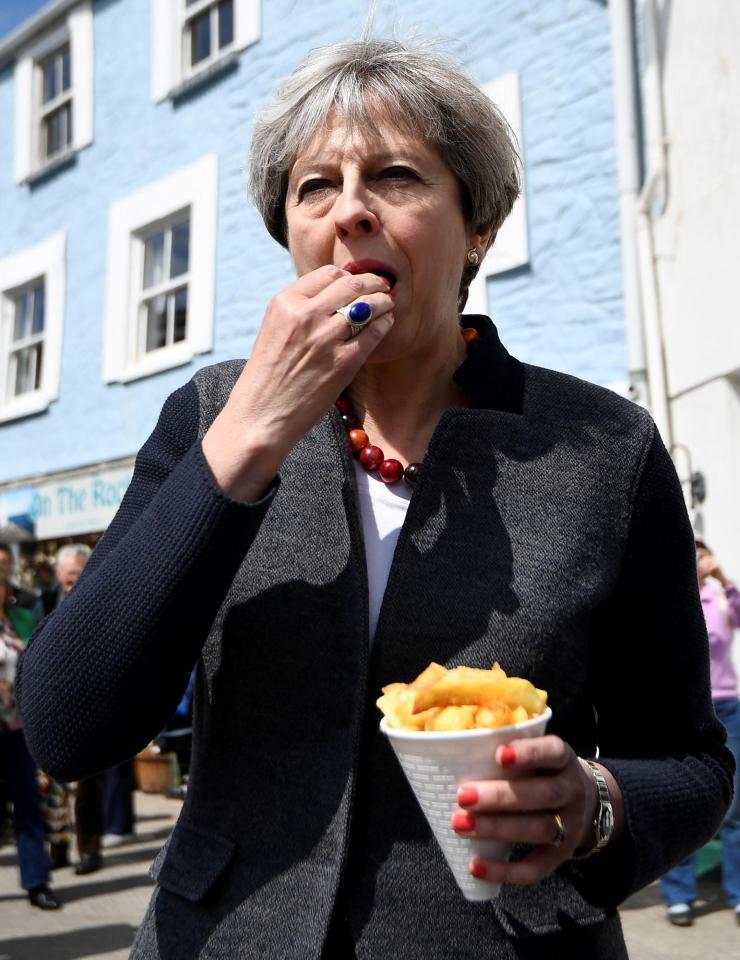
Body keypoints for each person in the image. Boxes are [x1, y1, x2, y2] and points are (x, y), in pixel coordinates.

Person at [17, 37, 733, 959]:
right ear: (289, 235)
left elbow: (690, 759)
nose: (349, 209)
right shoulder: (207, 416)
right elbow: (68, 726)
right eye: (314, 187)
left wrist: (597, 807)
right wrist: (249, 438)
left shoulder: (603, 447)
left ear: (478, 226)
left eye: (395, 176)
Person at [660, 538, 740, 927]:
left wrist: (724, 578)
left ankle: (738, 893)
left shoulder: (721, 599)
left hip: (727, 707)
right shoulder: (670, 599)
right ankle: (679, 895)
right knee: (682, 799)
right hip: (683, 708)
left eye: (700, 555)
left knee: (736, 806)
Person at [0, 543, 60, 909]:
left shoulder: (20, 618)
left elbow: (37, 659)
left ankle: (37, 881)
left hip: (17, 730)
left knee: (28, 806)